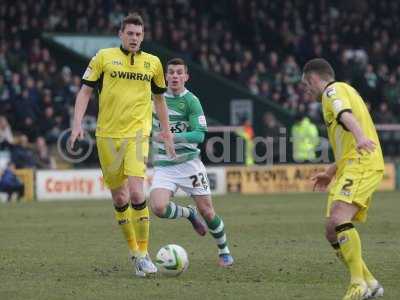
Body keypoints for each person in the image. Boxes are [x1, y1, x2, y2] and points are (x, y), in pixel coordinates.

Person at [70, 13, 175, 278]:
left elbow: (160, 100)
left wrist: (166, 131)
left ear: (143, 36)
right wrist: (77, 124)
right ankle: (134, 252)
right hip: (107, 135)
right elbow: (84, 91)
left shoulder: (153, 64)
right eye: (130, 33)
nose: (134, 38)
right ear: (121, 34)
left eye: (139, 34)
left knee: (138, 193)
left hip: (138, 134)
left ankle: (144, 254)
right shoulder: (103, 57)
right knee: (120, 197)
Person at [302, 58, 384, 300]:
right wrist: (331, 170)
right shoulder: (347, 90)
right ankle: (371, 283)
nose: (307, 90)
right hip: (349, 165)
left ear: (315, 79)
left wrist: (359, 137)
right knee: (331, 230)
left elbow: (345, 115)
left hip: (362, 162)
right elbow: (347, 138)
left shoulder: (332, 91)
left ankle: (358, 284)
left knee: (339, 219)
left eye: (307, 85)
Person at [149, 58, 234, 267]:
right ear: (165, 76)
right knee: (158, 207)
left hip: (189, 164)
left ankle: (224, 250)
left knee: (208, 211)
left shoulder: (191, 101)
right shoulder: (153, 99)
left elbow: (199, 136)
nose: (175, 76)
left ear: (186, 76)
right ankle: (189, 213)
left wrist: (171, 137)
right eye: (171, 72)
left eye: (179, 72)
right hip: (164, 165)